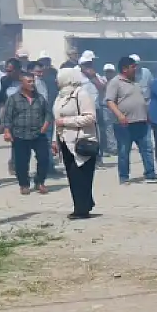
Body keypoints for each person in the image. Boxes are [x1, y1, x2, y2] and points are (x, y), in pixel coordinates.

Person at [105, 57, 157, 184]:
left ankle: (150, 173)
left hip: (141, 121)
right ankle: (124, 177)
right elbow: (110, 101)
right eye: (133, 67)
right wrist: (120, 115)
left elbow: (141, 100)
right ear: (125, 69)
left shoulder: (136, 82)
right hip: (124, 124)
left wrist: (147, 115)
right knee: (124, 150)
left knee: (147, 148)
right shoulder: (115, 82)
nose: (135, 69)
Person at [54, 67, 100, 219]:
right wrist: (54, 141)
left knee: (81, 176)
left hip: (81, 141)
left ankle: (82, 210)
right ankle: (83, 205)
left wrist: (66, 121)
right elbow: (56, 120)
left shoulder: (81, 94)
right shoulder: (60, 96)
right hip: (65, 142)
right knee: (73, 176)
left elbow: (90, 117)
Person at [2, 71, 54, 195]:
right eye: (29, 81)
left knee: (44, 158)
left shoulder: (39, 98)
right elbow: (7, 117)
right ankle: (24, 184)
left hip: (38, 134)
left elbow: (48, 114)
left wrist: (45, 126)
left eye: (33, 81)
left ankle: (39, 182)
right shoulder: (13, 99)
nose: (32, 84)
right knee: (21, 161)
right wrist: (7, 131)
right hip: (20, 134)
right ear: (22, 83)